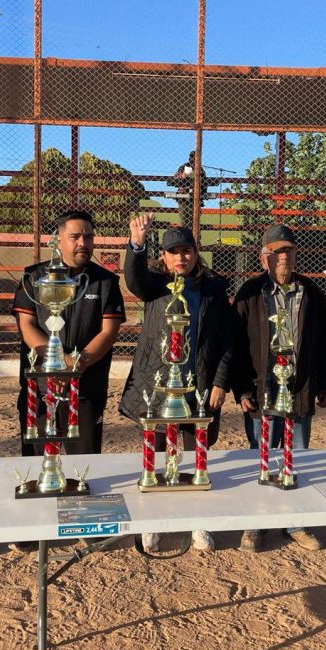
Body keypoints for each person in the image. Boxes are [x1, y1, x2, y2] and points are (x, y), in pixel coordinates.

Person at [121, 213, 235, 553]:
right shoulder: (155, 284)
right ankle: (152, 523)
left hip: (198, 384)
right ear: (164, 257)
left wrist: (220, 382)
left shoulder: (213, 289)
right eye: (173, 252)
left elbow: (227, 340)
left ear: (195, 253)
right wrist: (137, 243)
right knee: (155, 454)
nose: (181, 257)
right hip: (158, 385)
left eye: (186, 250)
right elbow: (134, 280)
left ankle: (198, 521)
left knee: (198, 454)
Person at [233, 224, 326, 553]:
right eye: (276, 251)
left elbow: (321, 344)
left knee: (296, 456)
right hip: (262, 389)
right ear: (264, 257)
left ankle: (295, 522)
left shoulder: (312, 293)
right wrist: (242, 390)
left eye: (288, 250)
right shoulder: (249, 293)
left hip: (300, 387)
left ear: (295, 253)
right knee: (261, 457)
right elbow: (237, 346)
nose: (283, 256)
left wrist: (325, 382)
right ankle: (256, 523)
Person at [13, 209, 125, 456]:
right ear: (59, 239)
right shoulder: (33, 278)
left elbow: (108, 332)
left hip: (86, 389)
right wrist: (57, 364)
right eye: (75, 237)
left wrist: (75, 365)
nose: (83, 243)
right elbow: (26, 326)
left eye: (88, 237)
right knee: (37, 463)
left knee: (84, 465)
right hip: (40, 389)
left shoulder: (106, 282)